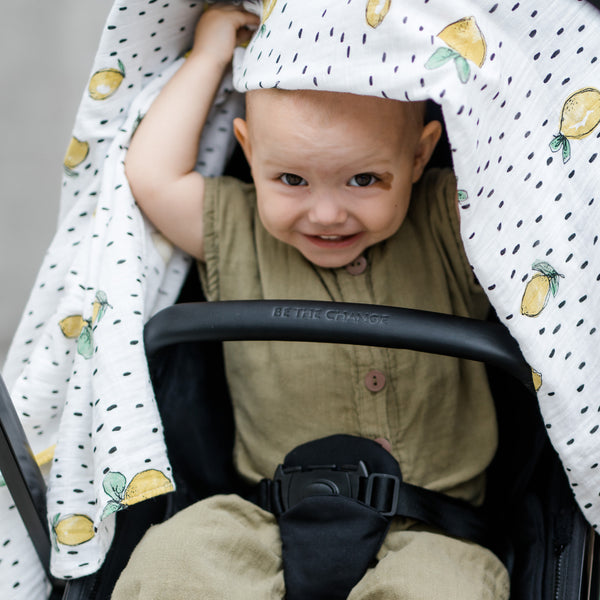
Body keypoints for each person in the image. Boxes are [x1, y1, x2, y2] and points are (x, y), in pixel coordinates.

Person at [112, 4, 509, 599]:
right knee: (172, 562)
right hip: (261, 513)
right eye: (291, 181)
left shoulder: (453, 223)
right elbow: (152, 176)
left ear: (420, 157)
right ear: (249, 153)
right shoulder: (233, 229)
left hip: (433, 524)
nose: (325, 214)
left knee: (446, 589)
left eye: (364, 180)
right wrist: (208, 58)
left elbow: (529, 174)